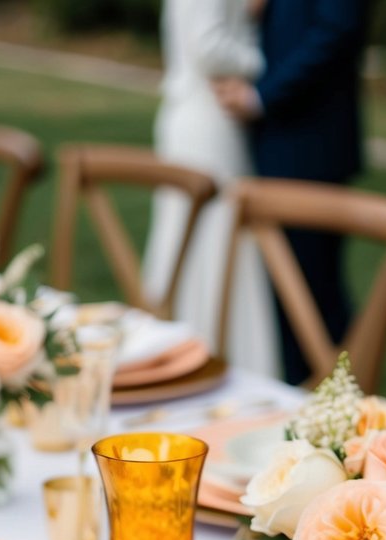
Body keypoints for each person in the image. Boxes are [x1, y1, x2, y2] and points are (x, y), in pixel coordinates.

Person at [214, 0, 372, 385]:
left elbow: (336, 31)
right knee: (286, 293)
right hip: (277, 143)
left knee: (312, 292)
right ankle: (297, 398)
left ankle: (338, 402)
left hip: (310, 144)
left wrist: (262, 96)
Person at [143, 0, 281, 378]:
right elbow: (210, 48)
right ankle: (211, 351)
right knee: (216, 235)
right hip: (209, 118)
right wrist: (265, 58)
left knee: (202, 236)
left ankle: (193, 348)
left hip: (193, 114)